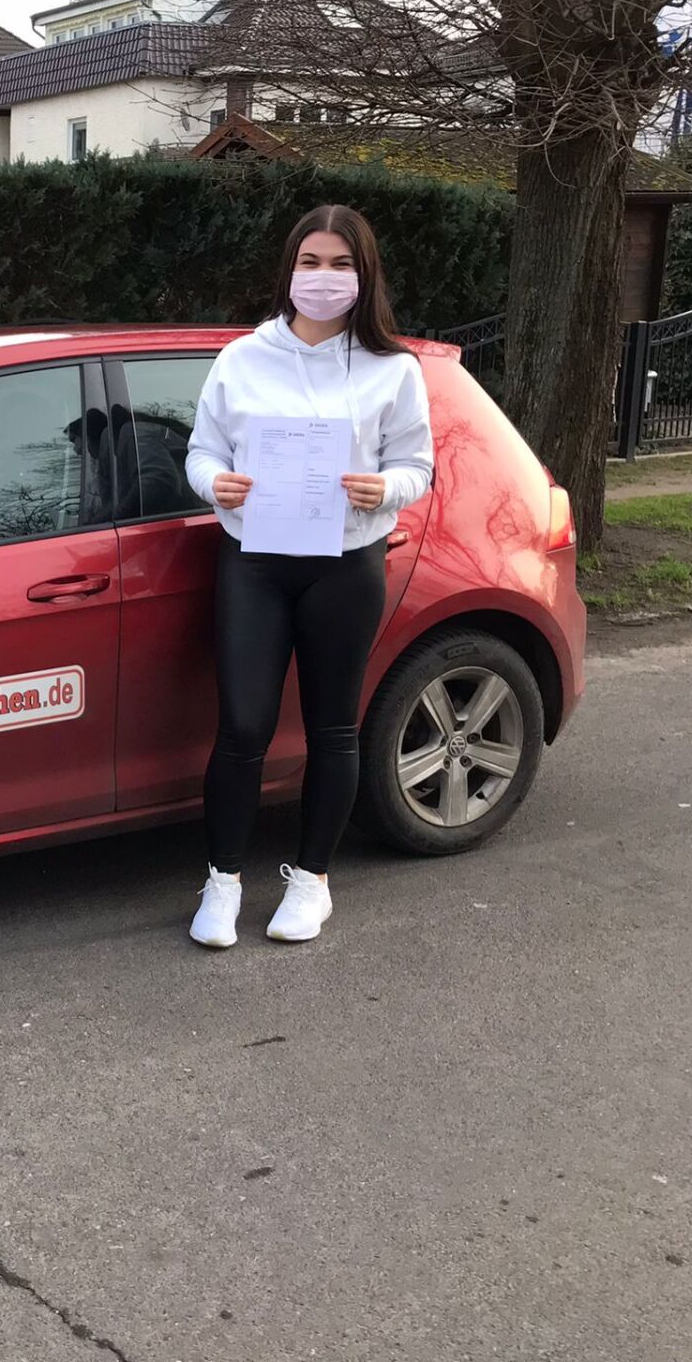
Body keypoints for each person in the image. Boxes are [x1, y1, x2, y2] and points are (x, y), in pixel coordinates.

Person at [182, 204, 434, 948]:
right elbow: (201, 451)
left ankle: (312, 880)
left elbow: (417, 465)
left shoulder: (394, 369)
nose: (324, 278)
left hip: (346, 564)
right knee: (244, 727)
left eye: (341, 265)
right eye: (311, 263)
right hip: (255, 562)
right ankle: (223, 882)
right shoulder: (242, 359)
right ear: (289, 270)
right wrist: (215, 483)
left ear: (365, 275)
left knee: (332, 727)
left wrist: (383, 489)